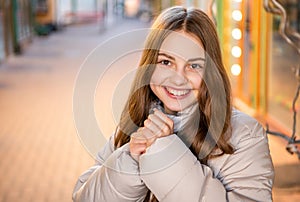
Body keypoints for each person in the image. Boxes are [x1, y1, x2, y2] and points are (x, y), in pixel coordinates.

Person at [72, 6, 274, 202]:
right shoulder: (135, 123)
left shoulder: (245, 134)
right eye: (166, 62)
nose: (178, 79)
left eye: (194, 66)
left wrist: (163, 153)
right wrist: (130, 159)